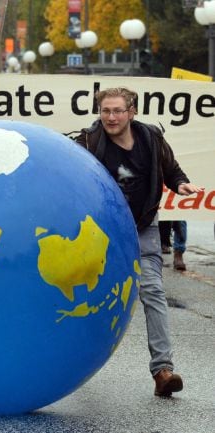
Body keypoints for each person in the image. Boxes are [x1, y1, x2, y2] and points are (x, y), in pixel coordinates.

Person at [74, 87, 202, 397]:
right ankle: (74, 366)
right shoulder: (88, 142)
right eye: (105, 111)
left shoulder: (151, 138)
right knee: (88, 294)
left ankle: (163, 371)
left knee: (153, 290)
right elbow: (67, 168)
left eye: (117, 111)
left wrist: (181, 183)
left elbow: (170, 168)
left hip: (143, 227)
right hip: (101, 231)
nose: (111, 117)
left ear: (132, 112)